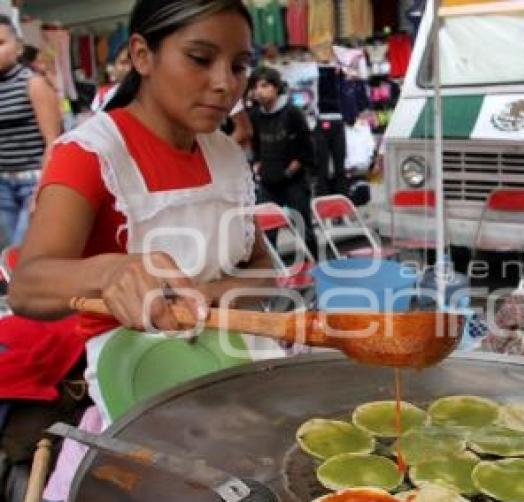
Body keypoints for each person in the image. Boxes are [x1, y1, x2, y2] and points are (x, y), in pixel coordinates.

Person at [8, 0, 278, 422]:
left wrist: (207, 296)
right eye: (200, 59)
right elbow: (26, 287)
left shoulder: (226, 153)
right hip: (139, 386)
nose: (225, 83)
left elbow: (264, 269)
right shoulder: (91, 155)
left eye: (240, 66)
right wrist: (109, 272)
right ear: (141, 55)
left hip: (232, 365)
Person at [0, 15, 62, 247]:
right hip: (2, 184)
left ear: (18, 48)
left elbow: (52, 141)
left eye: (0, 43)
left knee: (22, 251)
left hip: (31, 182)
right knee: (6, 254)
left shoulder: (32, 83)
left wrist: (43, 189)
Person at [249, 66, 317, 257]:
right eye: (255, 88)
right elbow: (255, 144)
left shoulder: (292, 113)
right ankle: (274, 276)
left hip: (293, 181)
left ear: (276, 87)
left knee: (304, 229)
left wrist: (289, 170)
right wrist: (257, 164)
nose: (258, 92)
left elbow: (306, 148)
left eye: (264, 86)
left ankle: (318, 267)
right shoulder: (255, 115)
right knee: (267, 232)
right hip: (268, 182)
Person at [90, 42, 132, 112]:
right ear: (115, 65)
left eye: (132, 63)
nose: (128, 68)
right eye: (123, 62)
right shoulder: (103, 94)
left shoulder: (147, 97)